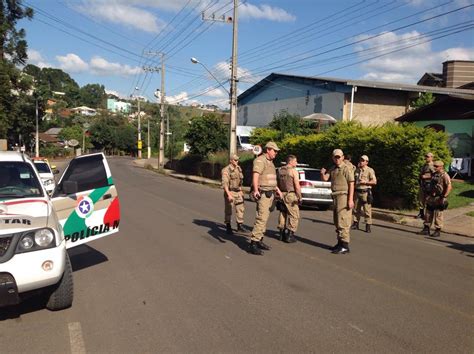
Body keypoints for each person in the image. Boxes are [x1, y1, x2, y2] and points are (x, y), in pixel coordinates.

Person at [249, 141, 283, 255]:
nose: (276, 153)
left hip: (271, 193)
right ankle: (253, 242)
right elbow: (256, 175)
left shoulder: (271, 163)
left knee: (265, 218)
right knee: (261, 218)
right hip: (263, 193)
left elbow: (272, 179)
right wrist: (256, 190)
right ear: (268, 149)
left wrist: (277, 189)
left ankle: (259, 240)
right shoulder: (260, 160)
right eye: (275, 151)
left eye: (277, 151)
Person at [320, 149, 355, 254]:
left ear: (343, 157)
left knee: (343, 220)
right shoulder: (333, 168)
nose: (337, 159)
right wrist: (322, 173)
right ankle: (340, 243)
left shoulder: (346, 168)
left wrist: (350, 199)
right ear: (333, 158)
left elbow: (351, 184)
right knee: (337, 220)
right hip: (335, 196)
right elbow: (325, 179)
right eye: (335, 157)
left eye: (339, 157)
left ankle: (345, 245)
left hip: (343, 195)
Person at [418, 160, 452, 237]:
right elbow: (428, 177)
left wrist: (444, 197)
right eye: (434, 166)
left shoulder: (445, 175)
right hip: (431, 197)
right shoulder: (434, 174)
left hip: (439, 197)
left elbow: (449, 186)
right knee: (428, 213)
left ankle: (437, 230)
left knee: (438, 214)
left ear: (441, 167)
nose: (434, 167)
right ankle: (426, 229)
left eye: (436, 166)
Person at [277, 154, 302, 243]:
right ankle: (290, 235)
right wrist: (300, 197)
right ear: (291, 161)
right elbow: (297, 186)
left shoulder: (280, 170)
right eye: (295, 161)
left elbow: (276, 183)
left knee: (283, 213)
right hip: (290, 195)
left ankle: (281, 232)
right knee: (294, 215)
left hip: (281, 194)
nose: (296, 163)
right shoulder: (293, 171)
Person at [352, 155, 377, 233]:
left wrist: (365, 182)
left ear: (366, 162)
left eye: (363, 160)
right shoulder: (356, 170)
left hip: (365, 192)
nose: (361, 161)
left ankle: (368, 225)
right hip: (357, 191)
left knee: (367, 210)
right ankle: (355, 223)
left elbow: (374, 181)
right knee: (356, 209)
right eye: (360, 160)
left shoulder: (370, 170)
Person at [221, 154, 245, 235]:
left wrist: (241, 190)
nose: (237, 161)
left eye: (237, 160)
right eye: (235, 160)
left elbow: (240, 181)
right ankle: (228, 226)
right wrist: (229, 195)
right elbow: (225, 184)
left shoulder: (238, 168)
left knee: (240, 209)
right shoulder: (226, 170)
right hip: (230, 191)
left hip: (238, 192)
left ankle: (240, 226)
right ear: (231, 160)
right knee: (229, 210)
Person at [417, 152, 435, 219]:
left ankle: (428, 215)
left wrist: (426, 176)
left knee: (428, 200)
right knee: (421, 199)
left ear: (431, 157)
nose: (426, 158)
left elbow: (435, 175)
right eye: (426, 156)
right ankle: (421, 213)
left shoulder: (432, 165)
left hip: (429, 185)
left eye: (428, 156)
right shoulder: (425, 165)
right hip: (423, 184)